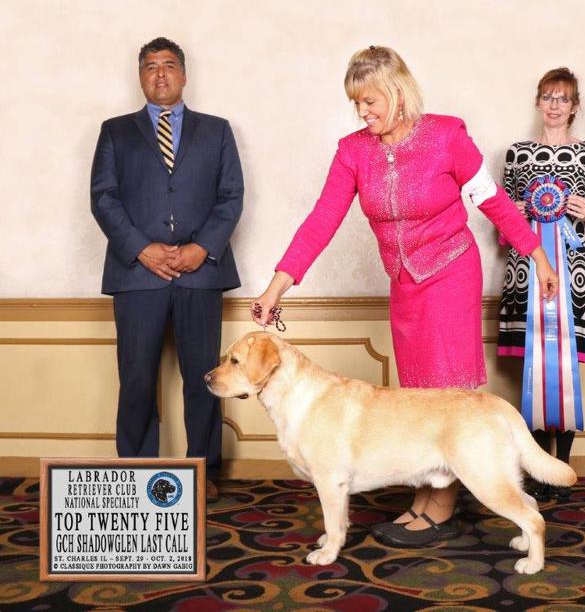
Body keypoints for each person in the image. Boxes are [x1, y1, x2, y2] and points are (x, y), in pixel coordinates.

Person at [251, 45, 558, 546]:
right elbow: (322, 220)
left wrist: (537, 255)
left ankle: (442, 505)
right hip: (405, 283)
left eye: (370, 101)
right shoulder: (353, 151)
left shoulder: (447, 135)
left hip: (451, 272)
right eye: (356, 103)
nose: (362, 112)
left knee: (447, 391)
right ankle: (425, 495)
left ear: (397, 93)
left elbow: (493, 201)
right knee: (417, 396)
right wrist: (276, 287)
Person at [90, 37, 244, 504]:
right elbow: (103, 198)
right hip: (137, 275)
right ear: (141, 76)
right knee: (137, 378)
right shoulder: (115, 132)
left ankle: (203, 469)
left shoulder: (217, 130)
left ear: (184, 75)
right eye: (151, 66)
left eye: (169, 65)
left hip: (201, 272)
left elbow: (231, 197)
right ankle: (138, 471)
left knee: (204, 377)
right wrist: (141, 249)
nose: (160, 73)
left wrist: (202, 248)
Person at [498, 68, 585, 501]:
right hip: (526, 276)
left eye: (563, 98)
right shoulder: (517, 155)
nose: (554, 105)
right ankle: (536, 469)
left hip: (572, 278)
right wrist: (516, 214)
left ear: (575, 106)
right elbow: (502, 224)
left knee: (563, 371)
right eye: (547, 97)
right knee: (532, 369)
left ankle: (561, 468)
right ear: (537, 102)